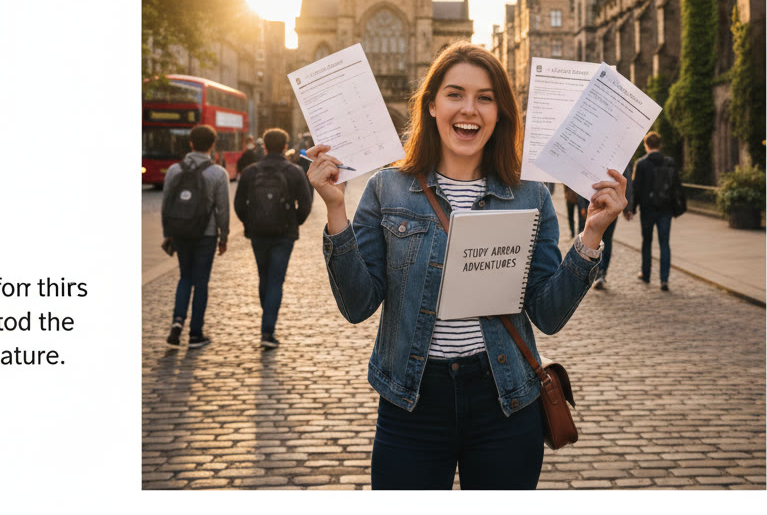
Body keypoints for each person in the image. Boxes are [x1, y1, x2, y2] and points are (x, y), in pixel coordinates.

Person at [303, 42, 627, 490]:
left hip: (505, 400)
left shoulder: (531, 195)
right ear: (432, 104)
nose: (469, 109)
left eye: (485, 97)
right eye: (455, 93)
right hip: (411, 402)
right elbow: (357, 305)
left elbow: (548, 316)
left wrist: (592, 235)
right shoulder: (386, 189)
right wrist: (335, 210)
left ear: (500, 113)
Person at [233, 128, 313, 349]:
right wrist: (293, 222)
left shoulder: (250, 172)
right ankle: (268, 331)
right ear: (285, 147)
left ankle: (267, 319)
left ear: (265, 146)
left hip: (257, 233)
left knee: (263, 276)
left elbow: (239, 204)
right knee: (276, 280)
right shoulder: (295, 171)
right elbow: (306, 204)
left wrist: (249, 223)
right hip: (284, 234)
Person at [161, 124, 230, 348]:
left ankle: (177, 323)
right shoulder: (218, 173)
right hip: (206, 235)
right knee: (201, 282)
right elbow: (222, 209)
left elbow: (166, 206)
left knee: (185, 277)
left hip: (180, 233)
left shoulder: (174, 170)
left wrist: (168, 234)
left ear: (190, 143)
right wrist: (224, 236)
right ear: (212, 144)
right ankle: (195, 334)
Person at [623, 132, 679, 291]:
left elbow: (637, 188)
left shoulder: (641, 164)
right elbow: (675, 186)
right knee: (664, 243)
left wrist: (631, 209)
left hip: (648, 210)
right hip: (665, 209)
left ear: (646, 145)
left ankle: (646, 273)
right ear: (660, 145)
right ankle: (664, 279)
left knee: (646, 242)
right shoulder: (669, 162)